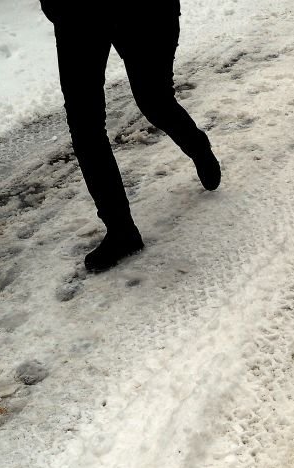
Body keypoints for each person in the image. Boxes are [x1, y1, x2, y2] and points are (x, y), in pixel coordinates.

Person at [40, 0, 221, 273]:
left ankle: (196, 145)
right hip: (77, 14)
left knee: (154, 100)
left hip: (141, 9)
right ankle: (121, 231)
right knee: (84, 124)